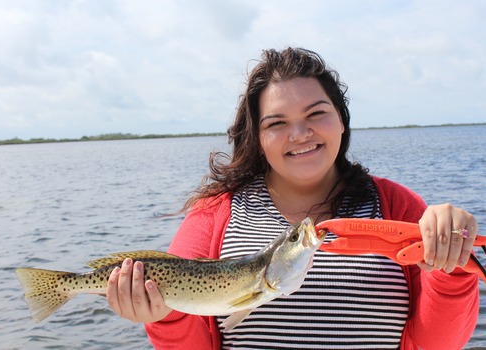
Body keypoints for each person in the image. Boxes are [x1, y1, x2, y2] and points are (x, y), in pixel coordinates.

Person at [106, 48, 480, 349]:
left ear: (342, 120)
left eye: (316, 114)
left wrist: (453, 265)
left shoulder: (397, 205)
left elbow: (437, 343)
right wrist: (165, 315)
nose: (300, 133)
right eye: (277, 123)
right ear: (256, 137)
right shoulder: (215, 214)